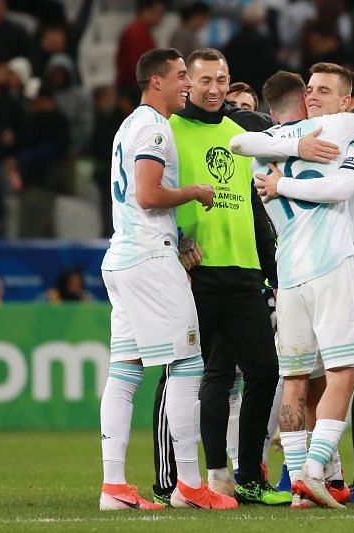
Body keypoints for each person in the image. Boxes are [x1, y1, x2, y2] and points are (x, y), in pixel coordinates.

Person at [230, 69, 354, 509]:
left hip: (288, 273)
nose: (313, 94)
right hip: (330, 265)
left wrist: (286, 165)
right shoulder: (346, 137)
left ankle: (299, 485)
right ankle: (311, 471)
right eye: (311, 88)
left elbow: (238, 143)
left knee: (295, 379)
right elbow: (345, 184)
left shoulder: (266, 151)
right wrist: (301, 155)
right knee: (343, 372)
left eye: (321, 89)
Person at [144, 47, 288, 507]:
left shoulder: (239, 135)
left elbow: (253, 207)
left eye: (222, 80)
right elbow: (152, 196)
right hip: (194, 274)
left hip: (243, 272)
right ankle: (183, 477)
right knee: (186, 376)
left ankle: (247, 475)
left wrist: (272, 269)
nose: (213, 88)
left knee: (264, 370)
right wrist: (179, 241)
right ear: (188, 83)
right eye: (204, 80)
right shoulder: (167, 131)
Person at [98, 47, 236, 511]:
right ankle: (190, 486)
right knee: (188, 365)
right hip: (149, 260)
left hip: (123, 255)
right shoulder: (154, 128)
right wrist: (195, 192)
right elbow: (148, 193)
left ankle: (114, 487)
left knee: (124, 372)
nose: (186, 84)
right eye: (180, 76)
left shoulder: (127, 126)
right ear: (156, 81)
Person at [116, 0, 166, 105]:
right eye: (157, 13)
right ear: (145, 11)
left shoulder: (143, 31)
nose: (161, 18)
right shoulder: (135, 32)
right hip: (133, 88)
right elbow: (136, 63)